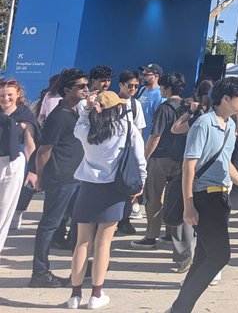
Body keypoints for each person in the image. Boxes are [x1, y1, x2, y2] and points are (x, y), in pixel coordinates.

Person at [166, 77, 238, 313]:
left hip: (222, 197)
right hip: (204, 196)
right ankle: (180, 307)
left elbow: (226, 162)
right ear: (225, 98)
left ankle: (180, 308)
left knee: (204, 256)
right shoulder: (203, 123)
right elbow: (188, 165)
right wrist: (188, 204)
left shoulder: (230, 125)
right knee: (220, 255)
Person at [68, 89, 147, 310]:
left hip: (88, 187)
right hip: (114, 189)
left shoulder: (86, 130)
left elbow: (78, 127)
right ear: (118, 108)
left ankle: (75, 294)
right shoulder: (126, 128)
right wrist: (141, 181)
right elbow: (140, 158)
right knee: (104, 243)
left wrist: (86, 109)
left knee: (82, 242)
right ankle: (96, 293)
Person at [31, 68, 88, 287]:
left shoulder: (76, 112)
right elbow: (44, 150)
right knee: (50, 224)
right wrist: (40, 178)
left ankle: (80, 265)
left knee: (79, 224)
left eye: (86, 85)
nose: (86, 89)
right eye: (80, 86)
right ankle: (40, 272)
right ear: (67, 90)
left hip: (76, 177)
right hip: (60, 178)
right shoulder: (59, 115)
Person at [129, 71, 189, 258]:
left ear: (168, 88)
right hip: (181, 159)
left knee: (154, 198)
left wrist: (145, 157)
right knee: (174, 198)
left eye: (162, 87)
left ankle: (151, 236)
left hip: (161, 158)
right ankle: (171, 233)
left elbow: (155, 136)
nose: (161, 90)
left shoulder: (164, 108)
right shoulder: (187, 108)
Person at [0, 78, 37, 254]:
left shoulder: (25, 115)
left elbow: (30, 145)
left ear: (18, 95)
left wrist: (33, 171)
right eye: (2, 95)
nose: (5, 98)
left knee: (4, 209)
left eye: (9, 95)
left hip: (12, 164)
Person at [114, 70, 146, 237]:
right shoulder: (111, 102)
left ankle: (124, 220)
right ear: (121, 85)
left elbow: (139, 130)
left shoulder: (136, 105)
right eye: (130, 85)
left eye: (136, 86)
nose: (133, 88)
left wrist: (137, 153)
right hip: (112, 154)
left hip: (129, 153)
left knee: (128, 187)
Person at [137, 64, 164, 139]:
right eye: (142, 74)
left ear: (156, 76)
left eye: (146, 75)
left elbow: (159, 121)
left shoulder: (159, 94)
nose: (142, 77)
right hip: (138, 135)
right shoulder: (142, 89)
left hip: (147, 138)